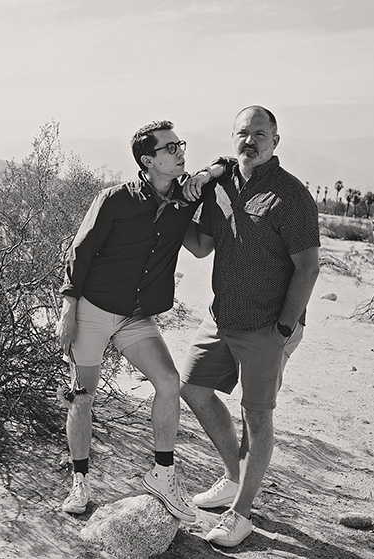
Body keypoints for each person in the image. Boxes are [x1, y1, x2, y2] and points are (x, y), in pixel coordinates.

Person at [56, 120, 214, 521]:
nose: (180, 151)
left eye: (181, 144)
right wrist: (68, 309)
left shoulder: (185, 197)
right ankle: (79, 480)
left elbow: (226, 166)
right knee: (82, 397)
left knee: (168, 382)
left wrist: (208, 175)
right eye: (170, 148)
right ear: (148, 160)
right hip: (92, 308)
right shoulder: (114, 199)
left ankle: (163, 474)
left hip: (136, 316)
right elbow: (80, 252)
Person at [180, 106, 321, 547]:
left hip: (266, 326)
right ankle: (232, 476)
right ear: (233, 137)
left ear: (275, 141)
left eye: (261, 134)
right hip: (221, 318)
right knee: (192, 388)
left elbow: (309, 267)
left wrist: (282, 328)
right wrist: (179, 208)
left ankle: (241, 515)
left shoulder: (291, 196)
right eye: (244, 133)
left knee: (256, 417)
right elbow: (202, 247)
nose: (251, 141)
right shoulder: (220, 185)